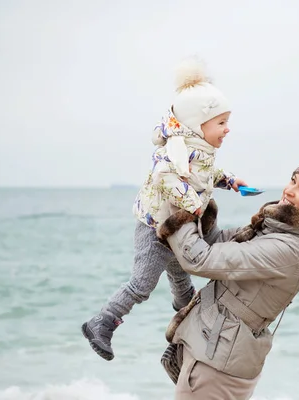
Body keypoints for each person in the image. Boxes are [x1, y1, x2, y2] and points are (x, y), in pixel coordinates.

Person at [156, 158, 299, 399]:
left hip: (216, 366)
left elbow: (199, 259)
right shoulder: (275, 230)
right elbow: (215, 244)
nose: (289, 190)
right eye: (293, 181)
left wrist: (177, 205)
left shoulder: (291, 249)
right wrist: (196, 195)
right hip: (210, 350)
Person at [82, 58, 246, 361]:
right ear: (199, 124)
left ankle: (188, 330)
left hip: (176, 227)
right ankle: (101, 322)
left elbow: (204, 173)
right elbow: (164, 176)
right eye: (221, 123)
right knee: (142, 284)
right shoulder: (175, 150)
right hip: (155, 227)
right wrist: (194, 203)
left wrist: (228, 180)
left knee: (182, 283)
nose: (227, 129)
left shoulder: (199, 150)